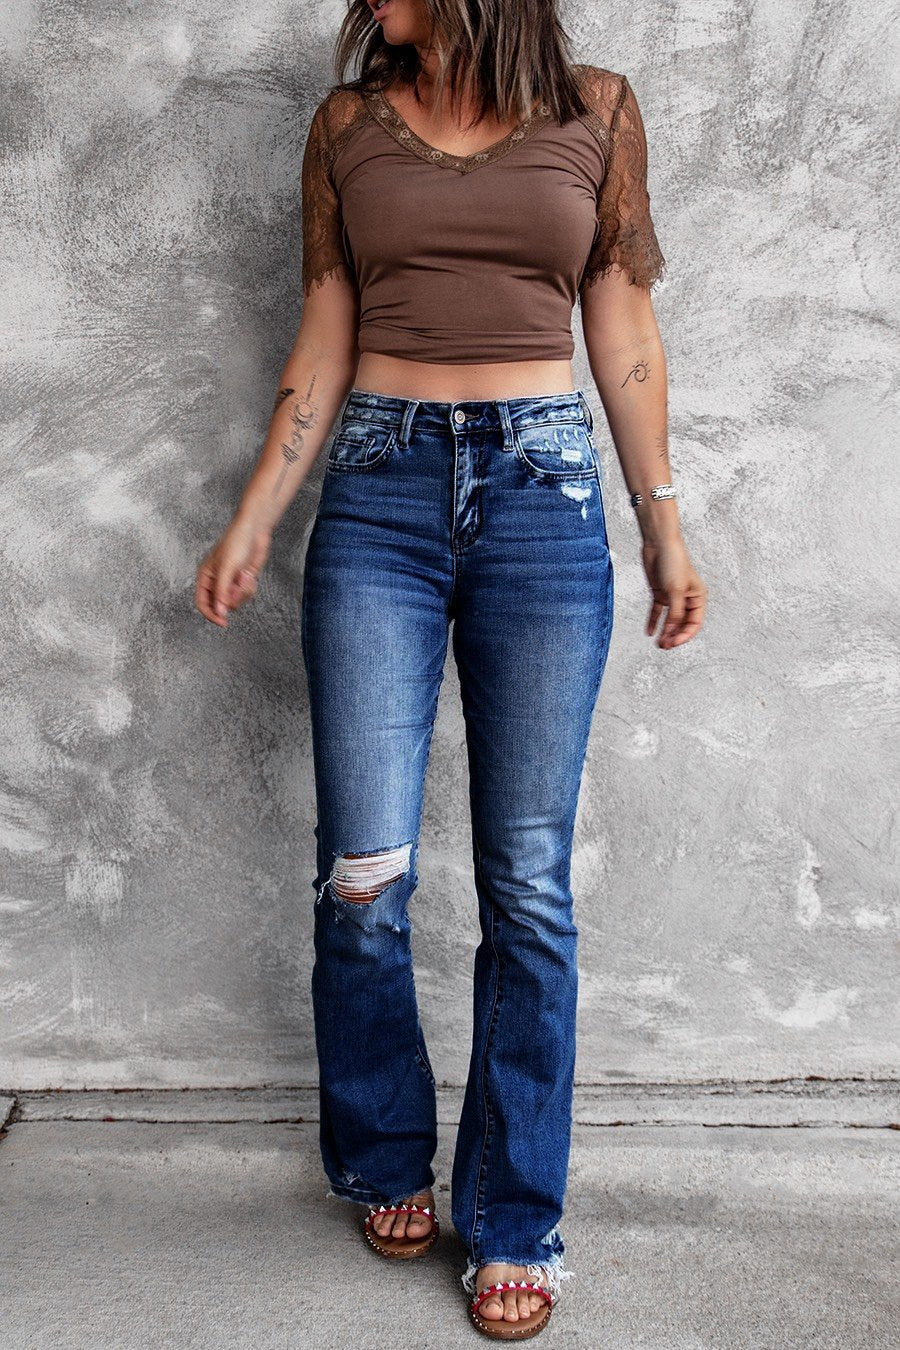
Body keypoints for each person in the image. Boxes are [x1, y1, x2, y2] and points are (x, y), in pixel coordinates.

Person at [195, 0, 706, 1338]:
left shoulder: (597, 111)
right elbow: (324, 330)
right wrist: (255, 515)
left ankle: (515, 1215)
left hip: (545, 496)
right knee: (364, 874)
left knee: (527, 885)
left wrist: (662, 522)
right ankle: (383, 1156)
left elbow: (624, 327)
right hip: (379, 497)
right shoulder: (347, 126)